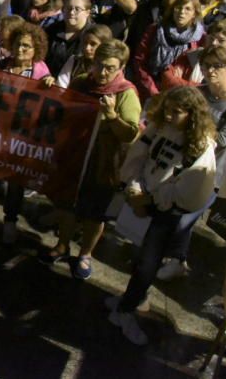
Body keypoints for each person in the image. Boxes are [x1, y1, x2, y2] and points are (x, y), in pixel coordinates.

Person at [109, 86, 217, 345]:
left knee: (149, 262)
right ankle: (129, 299)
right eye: (167, 110)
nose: (169, 116)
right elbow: (140, 157)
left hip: (165, 210)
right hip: (142, 196)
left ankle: (126, 310)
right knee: (137, 253)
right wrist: (133, 188)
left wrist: (149, 200)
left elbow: (190, 188)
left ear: (192, 114)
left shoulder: (201, 146)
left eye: (177, 112)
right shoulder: (160, 127)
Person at [40, 40, 142, 278]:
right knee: (67, 204)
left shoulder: (125, 93)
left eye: (110, 67)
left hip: (103, 163)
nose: (103, 72)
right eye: (99, 65)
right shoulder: (81, 82)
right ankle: (62, 245)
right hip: (75, 155)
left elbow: (131, 134)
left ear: (121, 67)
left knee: (94, 213)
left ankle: (85, 254)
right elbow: (64, 110)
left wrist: (112, 116)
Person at [154, 46, 226, 280]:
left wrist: (190, 129)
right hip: (183, 164)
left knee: (185, 217)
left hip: (213, 172)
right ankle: (175, 259)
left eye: (217, 66)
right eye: (206, 65)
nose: (210, 71)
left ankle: (176, 260)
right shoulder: (199, 92)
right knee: (174, 214)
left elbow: (225, 138)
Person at [0, 22, 50, 243]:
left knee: (15, 182)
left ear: (36, 50)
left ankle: (10, 222)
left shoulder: (41, 70)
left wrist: (49, 84)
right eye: (17, 44)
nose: (20, 49)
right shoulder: (1, 64)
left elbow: (49, 99)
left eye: (26, 46)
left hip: (20, 135)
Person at [130, 0, 205, 101]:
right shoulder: (156, 30)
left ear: (194, 14)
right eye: (178, 8)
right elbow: (140, 60)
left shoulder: (200, 38)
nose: (182, 12)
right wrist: (152, 90)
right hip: (152, 88)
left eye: (187, 9)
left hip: (182, 93)